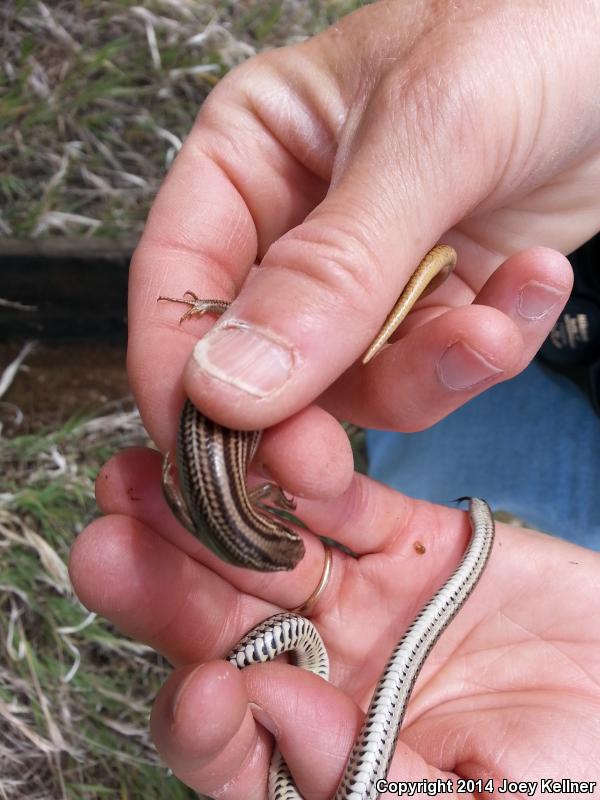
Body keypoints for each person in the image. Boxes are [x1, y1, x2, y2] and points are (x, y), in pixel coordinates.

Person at [70, 0, 600, 794]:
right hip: (505, 319)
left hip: (480, 348)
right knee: (393, 440)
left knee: (379, 455)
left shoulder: (254, 496)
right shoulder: (251, 499)